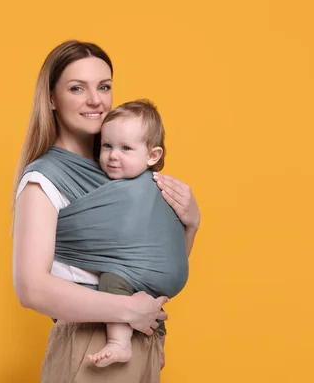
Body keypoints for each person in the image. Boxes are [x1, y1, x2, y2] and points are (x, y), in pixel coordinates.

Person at [13, 40, 200, 382]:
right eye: (76, 88)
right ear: (51, 99)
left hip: (142, 341)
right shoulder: (44, 180)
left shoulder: (121, 166)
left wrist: (190, 225)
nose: (95, 100)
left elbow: (145, 264)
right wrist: (128, 309)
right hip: (92, 347)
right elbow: (31, 288)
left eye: (103, 86)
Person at [85, 99, 188, 368]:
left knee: (111, 280)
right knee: (147, 300)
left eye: (125, 148)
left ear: (152, 156)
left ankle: (119, 343)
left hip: (145, 266)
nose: (113, 155)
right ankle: (159, 342)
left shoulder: (141, 189)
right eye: (107, 146)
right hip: (165, 274)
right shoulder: (158, 187)